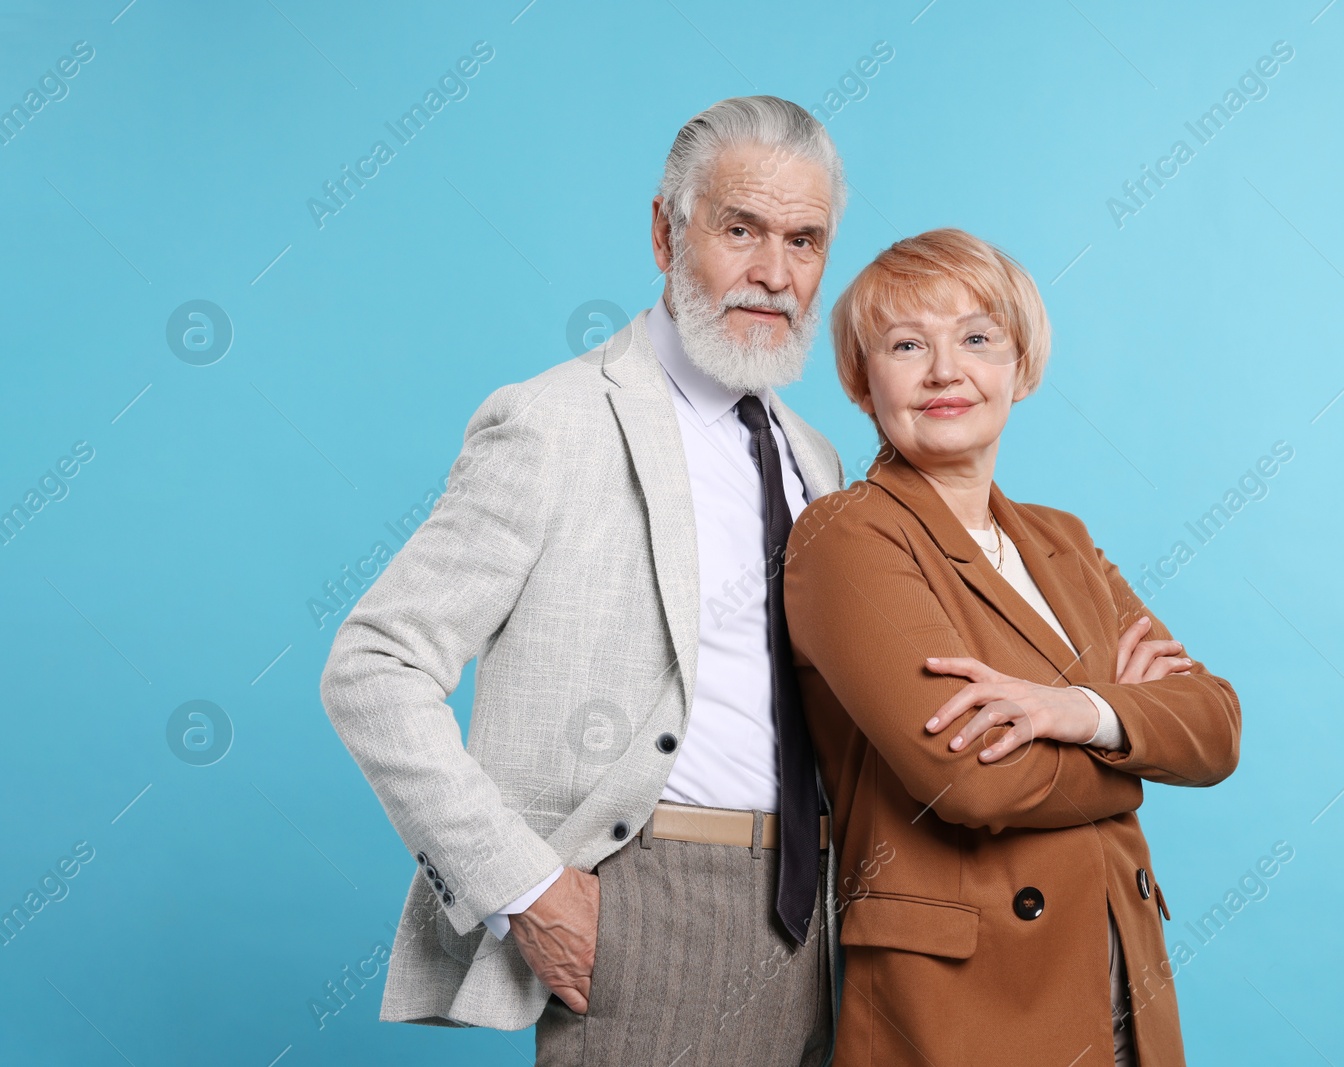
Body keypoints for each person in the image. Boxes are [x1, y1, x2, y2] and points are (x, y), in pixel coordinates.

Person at [320, 96, 850, 1064]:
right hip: (648, 910)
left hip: (817, 926)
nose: (775, 273)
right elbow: (373, 663)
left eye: (805, 240)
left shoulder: (817, 459)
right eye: (741, 229)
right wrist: (526, 887)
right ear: (664, 229)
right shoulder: (552, 422)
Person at [783, 228, 1242, 1065]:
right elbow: (969, 779)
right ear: (860, 380)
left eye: (977, 338)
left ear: (1021, 367)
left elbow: (1214, 726)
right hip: (968, 999)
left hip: (1118, 969)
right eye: (906, 344)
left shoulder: (1060, 540)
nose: (945, 370)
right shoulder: (847, 535)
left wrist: (1076, 710)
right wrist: (1133, 735)